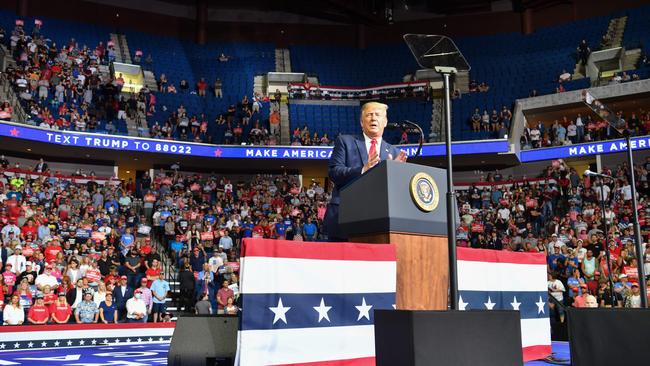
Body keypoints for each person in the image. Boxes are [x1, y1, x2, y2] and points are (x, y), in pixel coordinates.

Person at [324, 102, 407, 241]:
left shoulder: (394, 152)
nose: (373, 118)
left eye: (378, 115)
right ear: (362, 122)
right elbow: (334, 172)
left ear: (385, 122)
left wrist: (394, 173)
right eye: (369, 115)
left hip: (380, 221)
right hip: (344, 218)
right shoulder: (345, 141)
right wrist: (363, 169)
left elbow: (396, 192)